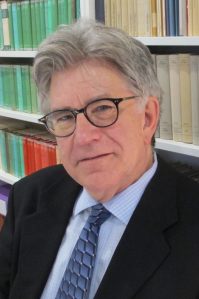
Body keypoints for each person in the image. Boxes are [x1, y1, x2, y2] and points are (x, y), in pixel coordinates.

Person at [0, 19, 199, 299]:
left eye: (103, 108)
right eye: (65, 116)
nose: (83, 137)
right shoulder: (28, 196)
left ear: (147, 118)